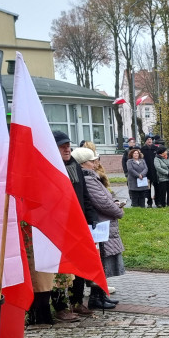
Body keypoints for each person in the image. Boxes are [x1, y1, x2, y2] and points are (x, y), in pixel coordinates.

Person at [50, 130, 99, 319]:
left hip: (78, 224)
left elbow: (84, 194)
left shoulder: (74, 166)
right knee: (61, 269)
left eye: (68, 145)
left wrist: (91, 216)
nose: (67, 148)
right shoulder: (51, 167)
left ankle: (78, 302)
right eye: (62, 146)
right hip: (58, 227)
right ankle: (61, 306)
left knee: (80, 266)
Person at [72, 147, 122, 309]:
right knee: (100, 262)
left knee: (102, 261)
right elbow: (101, 201)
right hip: (99, 224)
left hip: (103, 224)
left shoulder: (92, 177)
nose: (95, 164)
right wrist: (118, 210)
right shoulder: (88, 179)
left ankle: (101, 295)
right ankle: (96, 298)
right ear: (82, 163)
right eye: (92, 161)